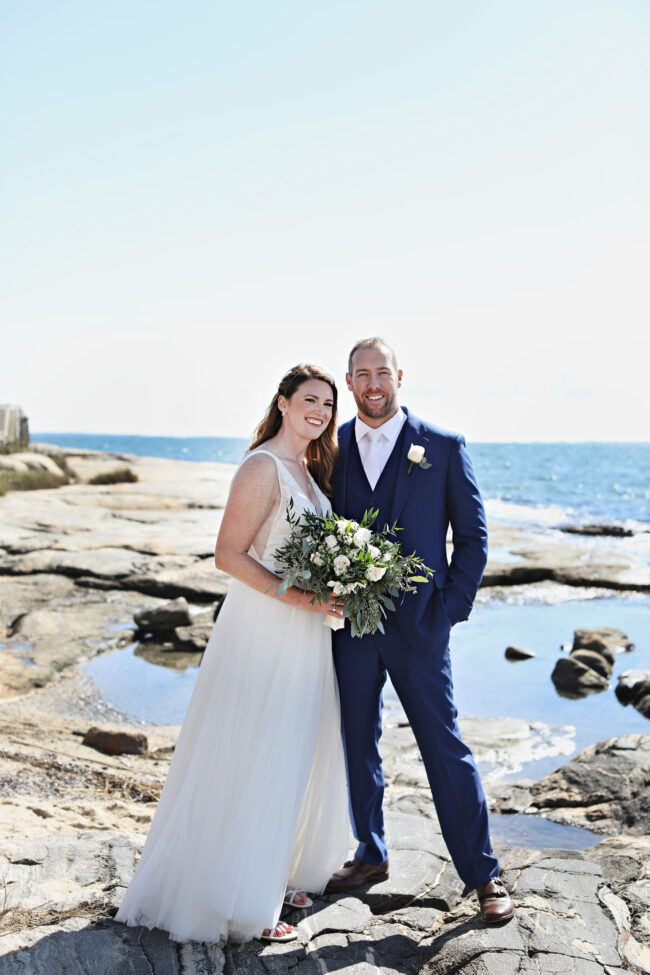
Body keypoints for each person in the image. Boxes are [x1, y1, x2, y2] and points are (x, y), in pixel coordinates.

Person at [116, 364, 349, 944]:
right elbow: (229, 555)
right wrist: (302, 597)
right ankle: (244, 899)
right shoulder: (261, 465)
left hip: (304, 631)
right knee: (255, 748)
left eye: (327, 404)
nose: (319, 412)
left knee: (292, 747)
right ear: (283, 402)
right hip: (265, 628)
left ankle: (272, 872)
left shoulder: (311, 469)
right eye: (309, 400)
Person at [326, 338, 515, 924]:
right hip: (351, 627)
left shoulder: (444, 446)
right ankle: (371, 851)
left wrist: (450, 609)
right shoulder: (328, 449)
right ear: (350, 382)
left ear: (399, 377)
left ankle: (483, 875)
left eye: (382, 372)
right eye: (362, 374)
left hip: (422, 629)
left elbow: (474, 540)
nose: (373, 383)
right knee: (356, 741)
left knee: (444, 747)